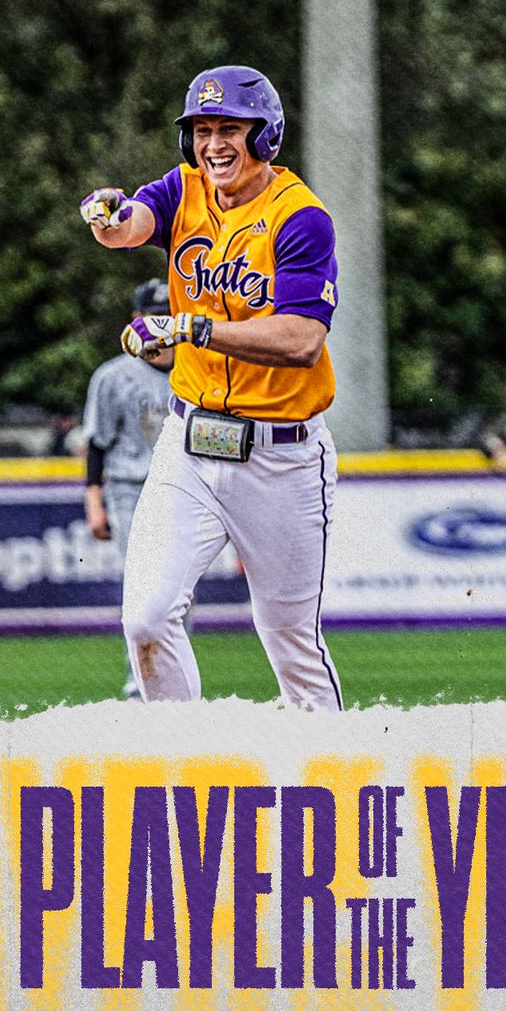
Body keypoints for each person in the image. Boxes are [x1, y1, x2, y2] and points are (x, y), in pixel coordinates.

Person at [79, 64, 342, 711]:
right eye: (201, 129)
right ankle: (184, 768)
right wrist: (107, 217)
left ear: (266, 135)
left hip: (282, 456)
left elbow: (302, 340)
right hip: (189, 443)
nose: (213, 144)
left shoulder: (300, 217)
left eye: (231, 128)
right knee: (146, 619)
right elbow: (132, 225)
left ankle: (336, 785)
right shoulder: (185, 189)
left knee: (289, 640)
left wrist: (193, 329)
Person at [82, 278, 177, 699]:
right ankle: (139, 685)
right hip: (129, 486)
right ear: (137, 321)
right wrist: (93, 502)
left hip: (183, 486)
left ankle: (170, 685)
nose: (162, 325)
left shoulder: (199, 369)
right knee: (143, 588)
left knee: (176, 594)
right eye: (154, 317)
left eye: (169, 316)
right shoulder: (114, 376)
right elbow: (97, 443)